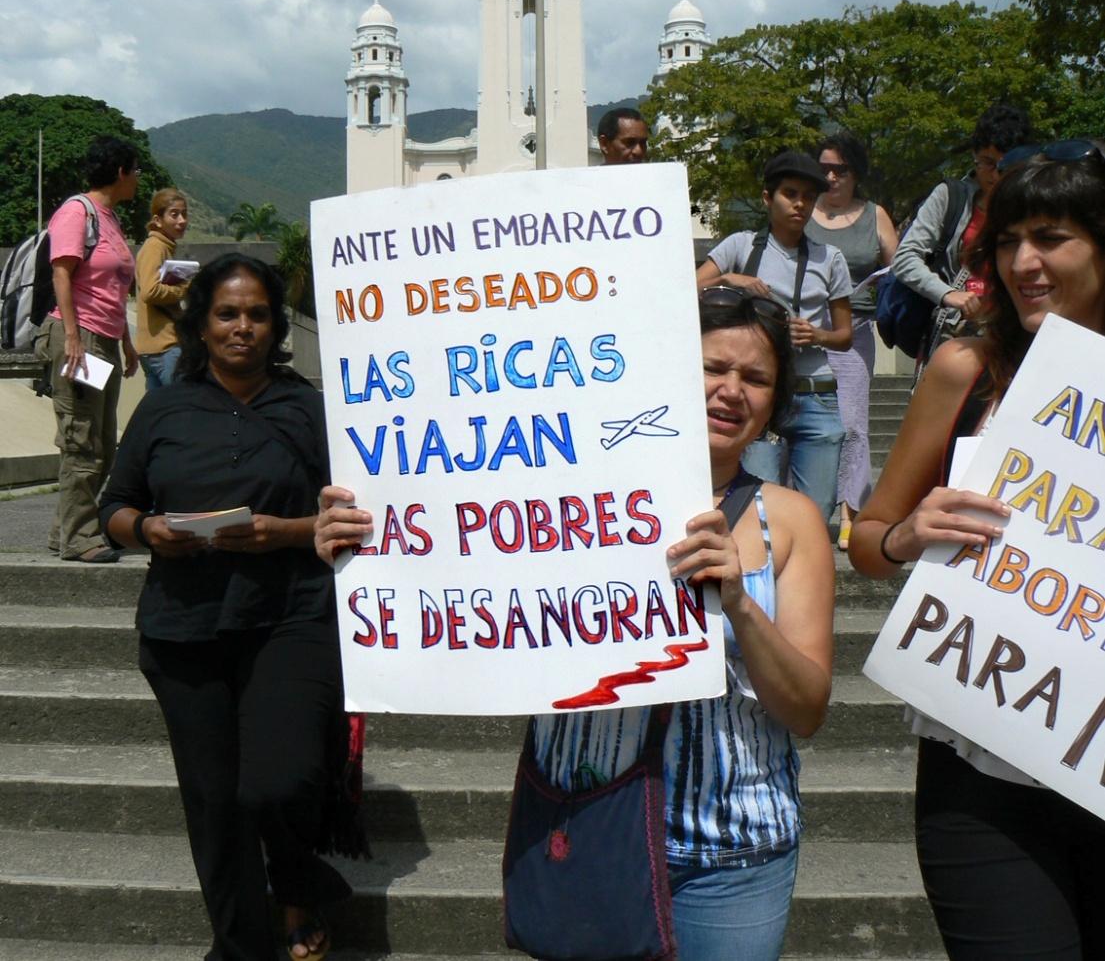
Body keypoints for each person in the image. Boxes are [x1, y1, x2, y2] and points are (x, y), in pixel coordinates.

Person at [315, 285, 836, 959]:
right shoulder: (553, 496)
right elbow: (452, 581)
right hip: (585, 827)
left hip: (732, 849)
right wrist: (367, 542)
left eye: (755, 378)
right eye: (711, 367)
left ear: (774, 401)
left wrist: (738, 603)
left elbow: (806, 709)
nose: (731, 390)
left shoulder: (790, 520)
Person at [850, 141, 1105, 959]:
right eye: (1005, 242)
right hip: (983, 774)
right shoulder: (966, 369)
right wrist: (905, 534)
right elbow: (866, 542)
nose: (1023, 263)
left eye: (1050, 238)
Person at [99, 253, 350, 961]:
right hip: (184, 629)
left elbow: (360, 514)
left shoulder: (313, 410)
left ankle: (296, 881)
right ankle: (240, 946)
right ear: (202, 325)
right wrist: (148, 530)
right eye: (227, 314)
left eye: (258, 314)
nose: (243, 327)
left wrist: (287, 532)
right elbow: (114, 507)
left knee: (279, 780)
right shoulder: (164, 408)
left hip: (292, 616)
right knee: (214, 805)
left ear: (276, 327)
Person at [696, 150, 853, 522]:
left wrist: (817, 335)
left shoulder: (830, 257)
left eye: (808, 197)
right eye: (790, 194)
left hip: (815, 393)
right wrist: (726, 279)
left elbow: (845, 336)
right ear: (768, 197)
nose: (799, 204)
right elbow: (682, 293)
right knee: (753, 507)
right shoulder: (741, 246)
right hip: (757, 391)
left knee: (816, 511)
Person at [36, 135, 140, 563]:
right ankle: (79, 538)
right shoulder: (76, 212)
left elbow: (114, 289)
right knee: (82, 440)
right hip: (79, 339)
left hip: (105, 342)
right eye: (135, 170)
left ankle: (64, 530)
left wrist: (127, 342)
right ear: (120, 172)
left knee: (103, 443)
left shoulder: (109, 218)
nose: (138, 178)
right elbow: (62, 273)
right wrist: (74, 337)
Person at [806, 132, 899, 549]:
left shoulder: (875, 215)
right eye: (824, 168)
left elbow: (900, 267)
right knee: (803, 419)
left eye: (839, 170)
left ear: (855, 173)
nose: (830, 177)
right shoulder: (803, 210)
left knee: (853, 423)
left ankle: (851, 513)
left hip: (856, 329)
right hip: (806, 330)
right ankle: (805, 510)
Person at [891, 103, 1031, 362]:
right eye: (987, 162)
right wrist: (947, 294)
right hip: (953, 332)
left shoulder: (1034, 204)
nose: (995, 174)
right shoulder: (950, 197)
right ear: (974, 156)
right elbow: (904, 258)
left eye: (1006, 164)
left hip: (1014, 331)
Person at [134, 188, 189, 389]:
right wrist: (184, 289)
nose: (182, 220)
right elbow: (150, 291)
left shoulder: (164, 247)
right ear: (158, 220)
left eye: (184, 214)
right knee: (179, 404)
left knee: (160, 407)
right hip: (165, 348)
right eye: (174, 214)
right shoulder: (155, 247)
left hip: (153, 349)